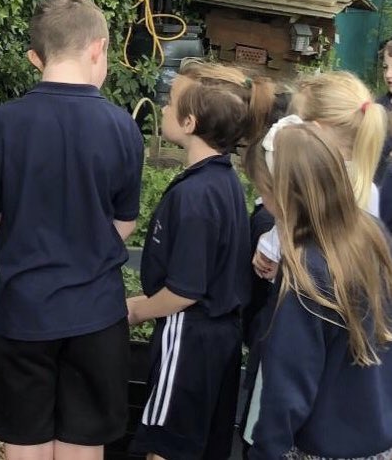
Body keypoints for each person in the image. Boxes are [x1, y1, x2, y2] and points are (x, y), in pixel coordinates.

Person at [0, 0, 143, 460]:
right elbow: (124, 223)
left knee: (23, 446)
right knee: (83, 449)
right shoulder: (121, 128)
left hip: (20, 312)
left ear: (36, 55)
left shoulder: (1, 125)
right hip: (95, 315)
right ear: (99, 48)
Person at [127, 60, 274, 460]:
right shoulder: (224, 180)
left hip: (188, 336)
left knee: (165, 444)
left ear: (189, 122)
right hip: (217, 342)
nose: (162, 108)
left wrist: (135, 310)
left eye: (170, 102)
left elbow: (184, 290)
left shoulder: (195, 198)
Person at [248, 124, 392, 458]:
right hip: (379, 440)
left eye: (263, 193)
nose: (263, 203)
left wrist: (266, 451)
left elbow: (288, 387)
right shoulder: (372, 234)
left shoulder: (306, 270)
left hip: (321, 447)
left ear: (283, 195)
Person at [253, 71, 388, 279]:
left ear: (315, 130)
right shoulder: (367, 189)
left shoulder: (311, 188)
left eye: (294, 122)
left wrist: (271, 251)